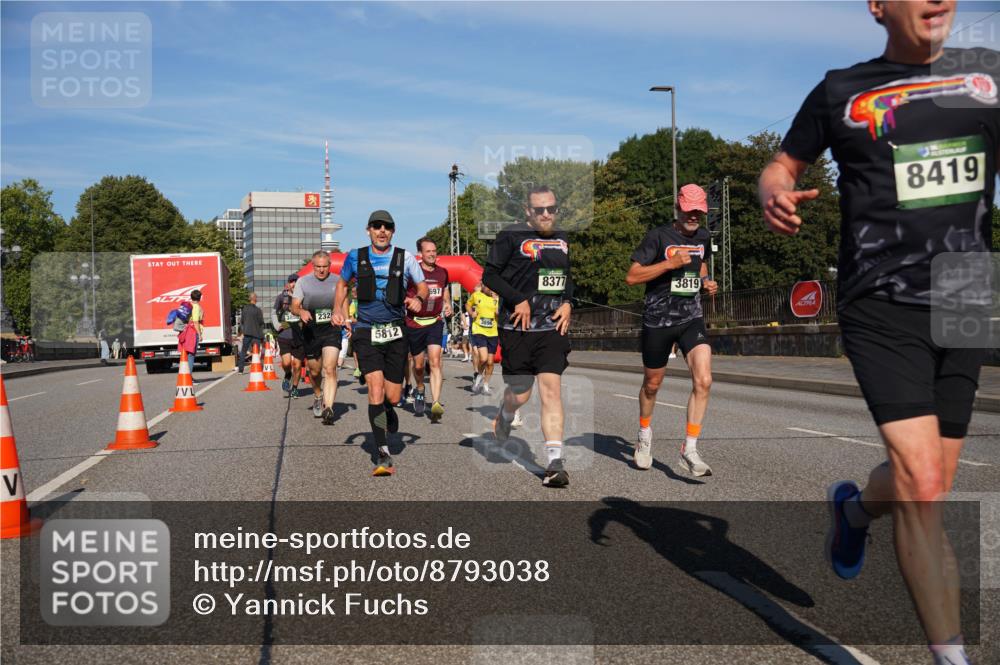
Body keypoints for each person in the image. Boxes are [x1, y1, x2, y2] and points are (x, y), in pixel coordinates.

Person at [758, 3, 997, 663]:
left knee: (932, 477)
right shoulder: (841, 89)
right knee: (921, 482)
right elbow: (782, 166)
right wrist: (772, 192)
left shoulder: (987, 76)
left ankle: (855, 511)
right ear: (877, 4)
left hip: (965, 291)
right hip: (881, 299)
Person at [625, 183, 719, 476]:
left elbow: (700, 264)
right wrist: (668, 263)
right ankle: (644, 436)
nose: (694, 217)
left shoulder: (703, 236)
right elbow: (632, 276)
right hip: (657, 321)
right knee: (652, 385)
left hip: (691, 318)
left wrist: (706, 282)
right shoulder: (658, 236)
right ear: (678, 207)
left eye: (699, 212)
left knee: (704, 380)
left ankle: (689, 448)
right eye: (689, 211)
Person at [485, 186, 573, 488]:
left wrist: (568, 302)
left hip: (551, 327)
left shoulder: (562, 237)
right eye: (539, 210)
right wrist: (517, 298)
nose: (546, 214)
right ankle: (506, 414)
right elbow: (490, 275)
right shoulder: (510, 235)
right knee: (521, 394)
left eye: (551, 208)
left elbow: (567, 277)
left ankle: (554, 462)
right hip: (516, 327)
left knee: (551, 389)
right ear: (528, 211)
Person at [335, 210, 427, 476]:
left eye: (387, 227)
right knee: (374, 388)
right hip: (365, 330)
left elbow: (421, 286)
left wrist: (418, 299)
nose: (382, 231)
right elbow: (342, 285)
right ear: (368, 230)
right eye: (377, 226)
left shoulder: (405, 257)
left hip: (396, 331)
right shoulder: (356, 256)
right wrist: (337, 309)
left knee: (393, 395)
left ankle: (389, 408)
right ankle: (383, 452)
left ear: (393, 231)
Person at [405, 237, 452, 422]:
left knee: (435, 361)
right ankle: (420, 388)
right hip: (414, 323)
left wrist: (447, 303)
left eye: (434, 250)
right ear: (420, 254)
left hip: (435, 322)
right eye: (428, 251)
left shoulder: (443, 272)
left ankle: (436, 403)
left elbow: (444, 289)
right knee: (417, 366)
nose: (432, 254)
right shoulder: (412, 273)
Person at [292, 251, 342, 425]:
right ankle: (318, 394)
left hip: (332, 327)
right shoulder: (303, 281)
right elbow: (294, 306)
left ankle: (329, 408)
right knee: (314, 371)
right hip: (311, 328)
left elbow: (344, 302)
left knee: (330, 368)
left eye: (325, 266)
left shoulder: (337, 280)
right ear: (313, 266)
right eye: (318, 267)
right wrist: (301, 311)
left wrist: (344, 317)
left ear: (330, 265)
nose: (321, 270)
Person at [273, 274, 305, 398]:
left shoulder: (304, 298)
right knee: (286, 363)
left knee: (297, 365)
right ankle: (287, 374)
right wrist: (277, 325)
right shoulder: (282, 298)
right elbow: (273, 312)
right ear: (288, 284)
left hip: (299, 336)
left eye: (296, 281)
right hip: (284, 335)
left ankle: (295, 388)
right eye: (292, 282)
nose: (294, 284)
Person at [467, 282, 500, 395]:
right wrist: (471, 312)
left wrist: (498, 307)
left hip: (493, 332)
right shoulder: (476, 295)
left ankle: (485, 385)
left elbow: (499, 313)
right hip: (479, 330)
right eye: (488, 287)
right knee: (483, 359)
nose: (491, 289)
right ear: (483, 286)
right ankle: (478, 378)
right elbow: (468, 304)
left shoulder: (498, 297)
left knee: (490, 362)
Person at [237, 293, 265, 375]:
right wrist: (262, 337)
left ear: (249, 299)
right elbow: (261, 324)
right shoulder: (258, 310)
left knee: (243, 351)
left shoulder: (245, 309)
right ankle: (259, 368)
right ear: (255, 299)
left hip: (247, 334)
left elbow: (242, 322)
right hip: (256, 335)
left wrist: (243, 331)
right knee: (256, 353)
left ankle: (240, 370)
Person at [189, 289, 204, 374]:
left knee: (188, 355)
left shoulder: (189, 305)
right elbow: (195, 321)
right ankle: (189, 377)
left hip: (188, 332)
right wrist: (199, 334)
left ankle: (188, 376)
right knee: (191, 355)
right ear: (200, 298)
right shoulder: (196, 307)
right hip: (193, 333)